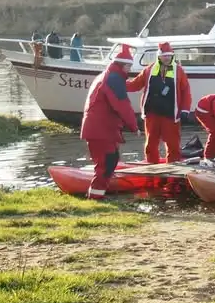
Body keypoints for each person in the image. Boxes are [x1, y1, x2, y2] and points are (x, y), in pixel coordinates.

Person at [79, 44, 140, 199]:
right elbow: (122, 104)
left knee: (109, 161)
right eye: (129, 66)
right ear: (123, 65)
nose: (129, 69)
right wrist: (134, 126)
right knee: (106, 163)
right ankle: (96, 197)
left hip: (100, 128)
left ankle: (97, 194)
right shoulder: (114, 79)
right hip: (101, 129)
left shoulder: (106, 76)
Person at [126, 42, 192, 164]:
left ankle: (174, 168)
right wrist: (119, 82)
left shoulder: (179, 71)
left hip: (171, 114)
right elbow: (135, 84)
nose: (167, 58)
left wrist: (185, 110)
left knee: (173, 145)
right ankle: (151, 167)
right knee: (150, 145)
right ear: (159, 56)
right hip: (152, 113)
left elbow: (186, 91)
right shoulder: (149, 69)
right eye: (164, 55)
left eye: (169, 55)